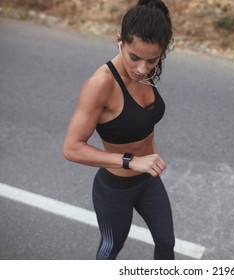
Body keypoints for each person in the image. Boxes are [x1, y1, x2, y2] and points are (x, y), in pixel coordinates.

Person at [63, 0, 175, 260]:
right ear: (120, 41)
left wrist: (145, 162)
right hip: (116, 188)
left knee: (166, 243)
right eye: (134, 57)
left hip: (149, 180)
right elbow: (71, 148)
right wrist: (131, 161)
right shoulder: (100, 84)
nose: (142, 69)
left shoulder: (145, 71)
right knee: (111, 247)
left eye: (152, 60)